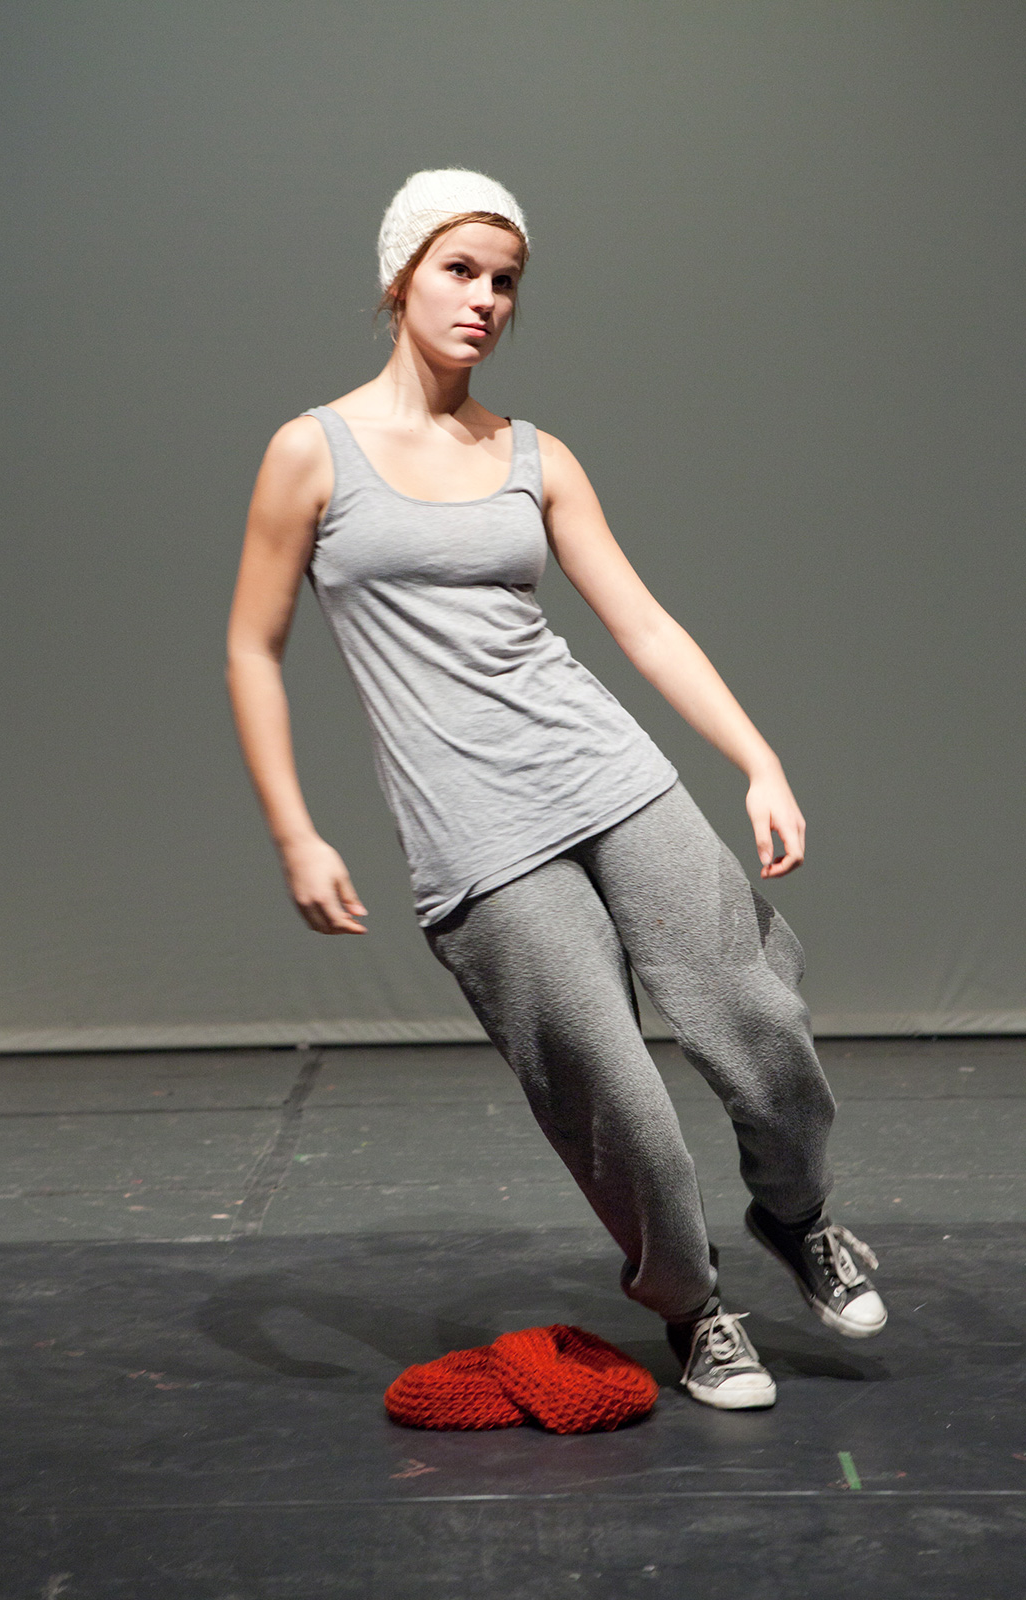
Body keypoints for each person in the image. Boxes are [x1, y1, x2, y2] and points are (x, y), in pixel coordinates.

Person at [226, 167, 887, 1411]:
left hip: (607, 773)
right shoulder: (312, 453)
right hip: (477, 834)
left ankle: (797, 1217)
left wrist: (757, 759)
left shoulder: (534, 456)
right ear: (400, 278)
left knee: (759, 1021)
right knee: (609, 1092)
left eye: (504, 279)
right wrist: (294, 832)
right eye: (458, 270)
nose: (484, 298)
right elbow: (252, 647)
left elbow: (642, 624)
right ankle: (692, 1307)